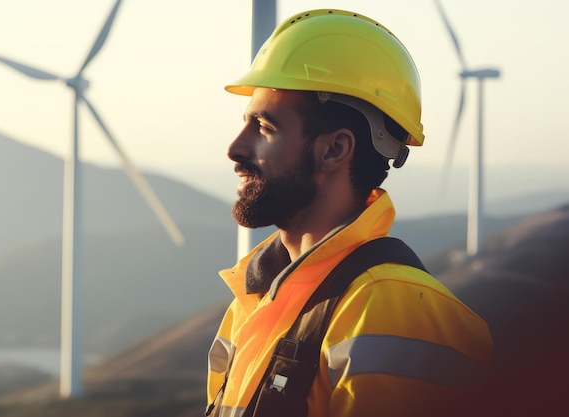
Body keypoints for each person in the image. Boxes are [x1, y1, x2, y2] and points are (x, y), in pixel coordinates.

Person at [206, 9, 493, 417]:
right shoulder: (255, 301)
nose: (235, 148)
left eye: (265, 127)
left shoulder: (395, 311)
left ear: (335, 150)